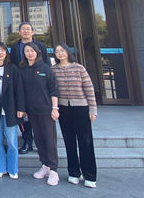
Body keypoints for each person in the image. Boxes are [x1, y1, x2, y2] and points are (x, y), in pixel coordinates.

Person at [52, 43, 98, 188]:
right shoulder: (53, 70)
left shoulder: (79, 68)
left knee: (86, 141)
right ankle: (73, 172)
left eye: (62, 50)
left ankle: (90, 175)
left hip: (81, 108)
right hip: (64, 109)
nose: (60, 53)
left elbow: (89, 89)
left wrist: (92, 109)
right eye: (57, 51)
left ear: (67, 52)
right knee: (69, 141)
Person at [19, 42, 60, 186]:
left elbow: (53, 89)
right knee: (38, 139)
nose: (29, 53)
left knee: (49, 139)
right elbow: (21, 91)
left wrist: (55, 108)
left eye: (32, 51)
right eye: (27, 51)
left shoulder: (45, 68)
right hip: (31, 111)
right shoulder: (23, 69)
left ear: (37, 52)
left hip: (46, 110)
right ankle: (45, 165)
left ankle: (53, 170)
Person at [0, 42, 26, 179]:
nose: (0, 52)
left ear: (6, 53)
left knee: (12, 143)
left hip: (10, 109)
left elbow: (19, 89)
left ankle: (12, 169)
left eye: (2, 50)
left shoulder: (13, 69)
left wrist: (21, 108)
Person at [10, 22, 46, 154]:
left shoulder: (41, 46)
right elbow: (13, 66)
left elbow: (46, 65)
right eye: (23, 29)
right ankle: (27, 141)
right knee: (23, 114)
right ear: (19, 32)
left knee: (39, 116)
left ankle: (41, 142)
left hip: (38, 86)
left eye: (28, 29)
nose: (25, 31)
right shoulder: (15, 47)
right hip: (21, 84)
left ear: (32, 32)